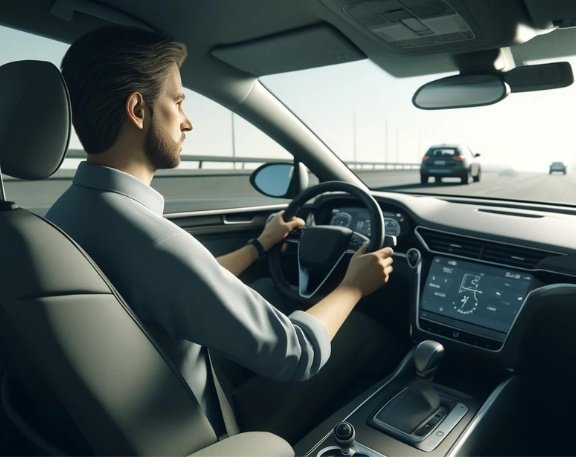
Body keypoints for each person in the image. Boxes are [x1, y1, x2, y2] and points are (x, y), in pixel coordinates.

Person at [46, 26, 396, 440]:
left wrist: (259, 245)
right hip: (204, 434)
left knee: (265, 284)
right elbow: (297, 353)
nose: (188, 122)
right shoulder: (154, 241)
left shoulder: (67, 213)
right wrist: (353, 287)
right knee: (360, 333)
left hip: (128, 415)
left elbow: (181, 281)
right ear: (138, 110)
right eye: (177, 101)